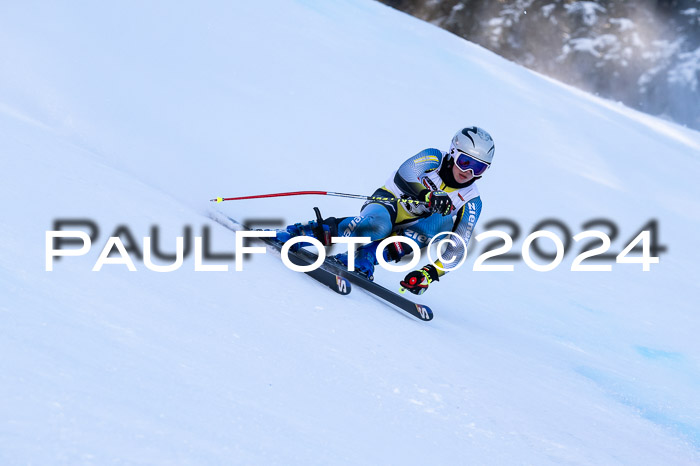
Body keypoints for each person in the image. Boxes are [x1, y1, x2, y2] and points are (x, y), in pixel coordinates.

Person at [277, 126, 495, 295]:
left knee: (443, 223)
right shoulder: (433, 157)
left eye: (478, 167)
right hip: (389, 203)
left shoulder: (472, 201)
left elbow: (457, 247)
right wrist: (427, 194)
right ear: (453, 152)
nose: (468, 172)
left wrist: (429, 274)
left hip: (413, 228)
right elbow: (406, 173)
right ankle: (305, 232)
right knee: (378, 227)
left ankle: (366, 257)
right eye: (464, 161)